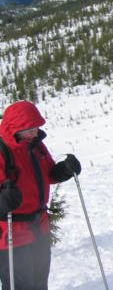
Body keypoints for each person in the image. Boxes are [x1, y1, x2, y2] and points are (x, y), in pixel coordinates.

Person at [0, 100, 81, 290]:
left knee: (39, 280)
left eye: (37, 127)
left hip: (39, 225)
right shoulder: (2, 150)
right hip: (11, 229)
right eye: (30, 129)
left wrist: (64, 170)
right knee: (21, 285)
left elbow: (49, 173)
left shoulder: (36, 145)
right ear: (16, 129)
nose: (36, 132)